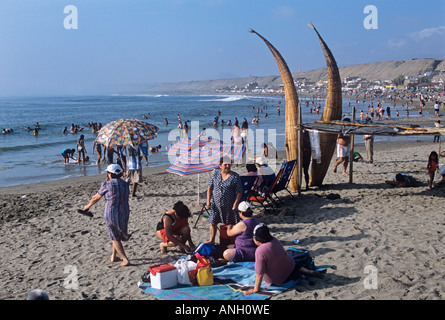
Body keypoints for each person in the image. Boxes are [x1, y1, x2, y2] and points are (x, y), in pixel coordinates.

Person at [244, 224, 322, 295]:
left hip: (279, 280)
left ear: (256, 239)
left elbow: (259, 274)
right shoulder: (274, 240)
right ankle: (308, 271)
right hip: (291, 267)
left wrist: (255, 289)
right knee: (290, 259)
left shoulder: (260, 251)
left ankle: (307, 272)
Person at [82, 164, 131, 266]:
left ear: (109, 174)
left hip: (112, 212)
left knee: (114, 236)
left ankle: (125, 259)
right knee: (117, 234)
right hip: (124, 211)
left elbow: (96, 198)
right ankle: (113, 256)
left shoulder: (107, 185)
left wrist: (88, 206)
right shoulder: (125, 184)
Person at [206, 156, 243, 244]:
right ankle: (212, 240)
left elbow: (239, 191)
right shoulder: (215, 174)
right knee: (213, 222)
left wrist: (236, 203)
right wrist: (208, 201)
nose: (227, 166)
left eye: (229, 164)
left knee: (231, 223)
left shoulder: (235, 176)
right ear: (220, 165)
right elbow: (209, 187)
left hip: (229, 205)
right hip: (216, 204)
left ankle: (231, 241)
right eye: (225, 164)